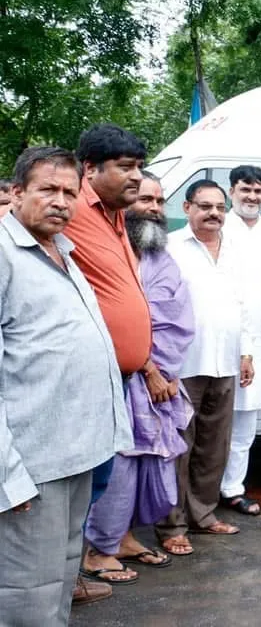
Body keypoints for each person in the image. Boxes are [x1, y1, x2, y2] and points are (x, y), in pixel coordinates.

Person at [0, 147, 130, 625]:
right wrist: (7, 476)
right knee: (27, 593)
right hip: (30, 465)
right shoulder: (4, 255)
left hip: (76, 454)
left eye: (69, 193)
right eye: (47, 190)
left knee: (58, 580)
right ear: (17, 192)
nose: (60, 201)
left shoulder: (62, 251)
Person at [84, 172, 196, 579]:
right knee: (119, 466)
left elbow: (177, 320)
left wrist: (166, 371)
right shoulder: (106, 252)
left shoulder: (161, 258)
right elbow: (112, 318)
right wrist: (148, 369)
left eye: (160, 201)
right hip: (122, 378)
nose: (153, 208)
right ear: (123, 205)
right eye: (145, 199)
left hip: (161, 383)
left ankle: (125, 538)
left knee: (149, 463)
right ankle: (98, 549)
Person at [66, 123, 153, 596]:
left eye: (138, 166)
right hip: (85, 376)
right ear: (90, 169)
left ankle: (68, 574)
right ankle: (59, 581)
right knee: (77, 481)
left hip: (120, 376)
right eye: (124, 167)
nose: (136, 176)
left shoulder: (117, 215)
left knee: (97, 479)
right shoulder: (73, 210)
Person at [156, 179, 254, 551]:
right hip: (183, 364)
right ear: (187, 208)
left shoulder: (235, 250)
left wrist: (246, 353)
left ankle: (203, 515)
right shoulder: (170, 247)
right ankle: (171, 526)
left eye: (219, 207)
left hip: (225, 361)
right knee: (178, 447)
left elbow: (242, 305)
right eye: (205, 206)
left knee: (214, 446)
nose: (214, 213)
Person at [220, 166, 261, 517]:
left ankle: (232, 488)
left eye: (258, 191)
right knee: (214, 420)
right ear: (232, 191)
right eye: (245, 189)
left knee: (246, 422)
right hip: (222, 336)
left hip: (260, 341)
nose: (252, 196)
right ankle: (202, 492)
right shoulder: (219, 226)